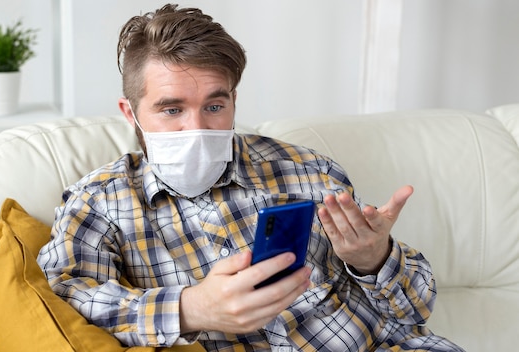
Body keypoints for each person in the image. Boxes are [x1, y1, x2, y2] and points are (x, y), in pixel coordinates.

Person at [37, 4, 463, 351]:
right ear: (131, 113)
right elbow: (64, 301)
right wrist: (189, 309)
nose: (197, 128)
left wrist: (374, 259)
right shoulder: (98, 202)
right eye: (172, 110)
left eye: (214, 106)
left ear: (234, 101)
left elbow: (414, 312)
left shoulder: (308, 169)